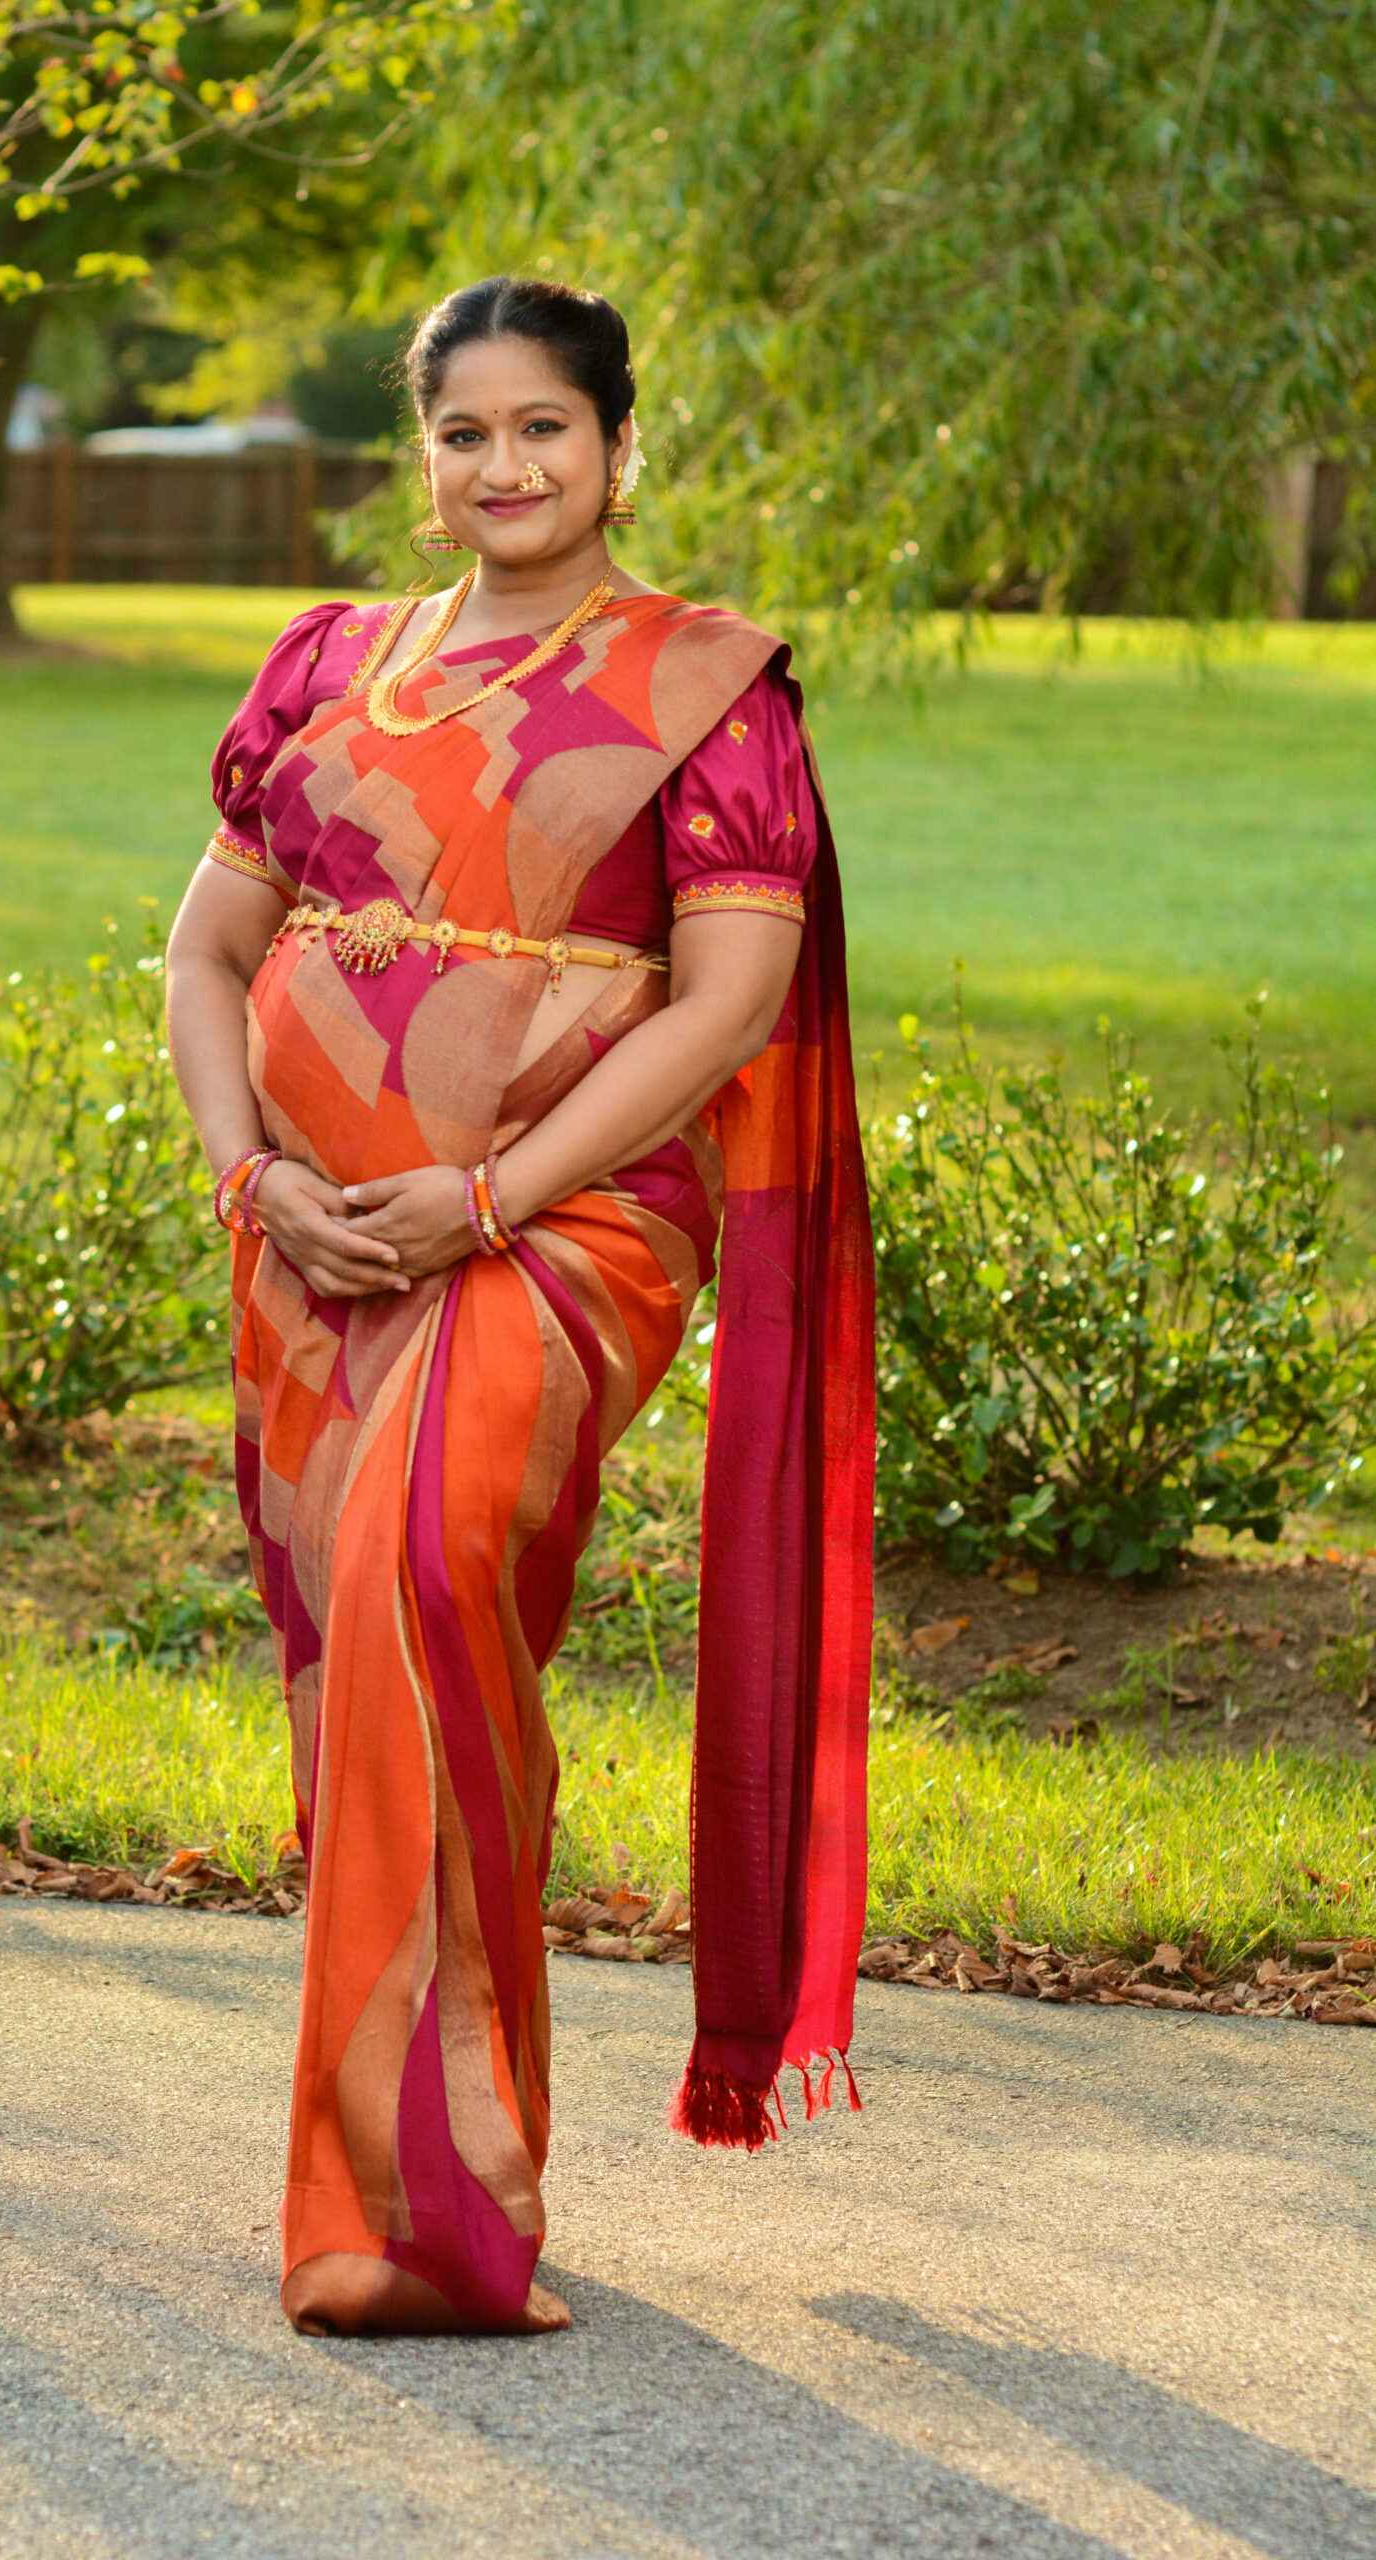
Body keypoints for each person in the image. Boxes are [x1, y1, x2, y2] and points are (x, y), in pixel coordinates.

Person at [166, 275, 875, 2341]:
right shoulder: (324, 665)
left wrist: (482, 1189)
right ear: (424, 455)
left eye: (543, 429)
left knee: (414, 1569)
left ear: (617, 444)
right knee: (384, 1668)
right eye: (463, 432)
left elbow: (727, 998)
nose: (503, 467)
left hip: (565, 1233)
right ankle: (419, 2145)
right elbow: (207, 953)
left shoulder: (702, 686)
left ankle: (421, 2215)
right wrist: (253, 1174)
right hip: (306, 1240)